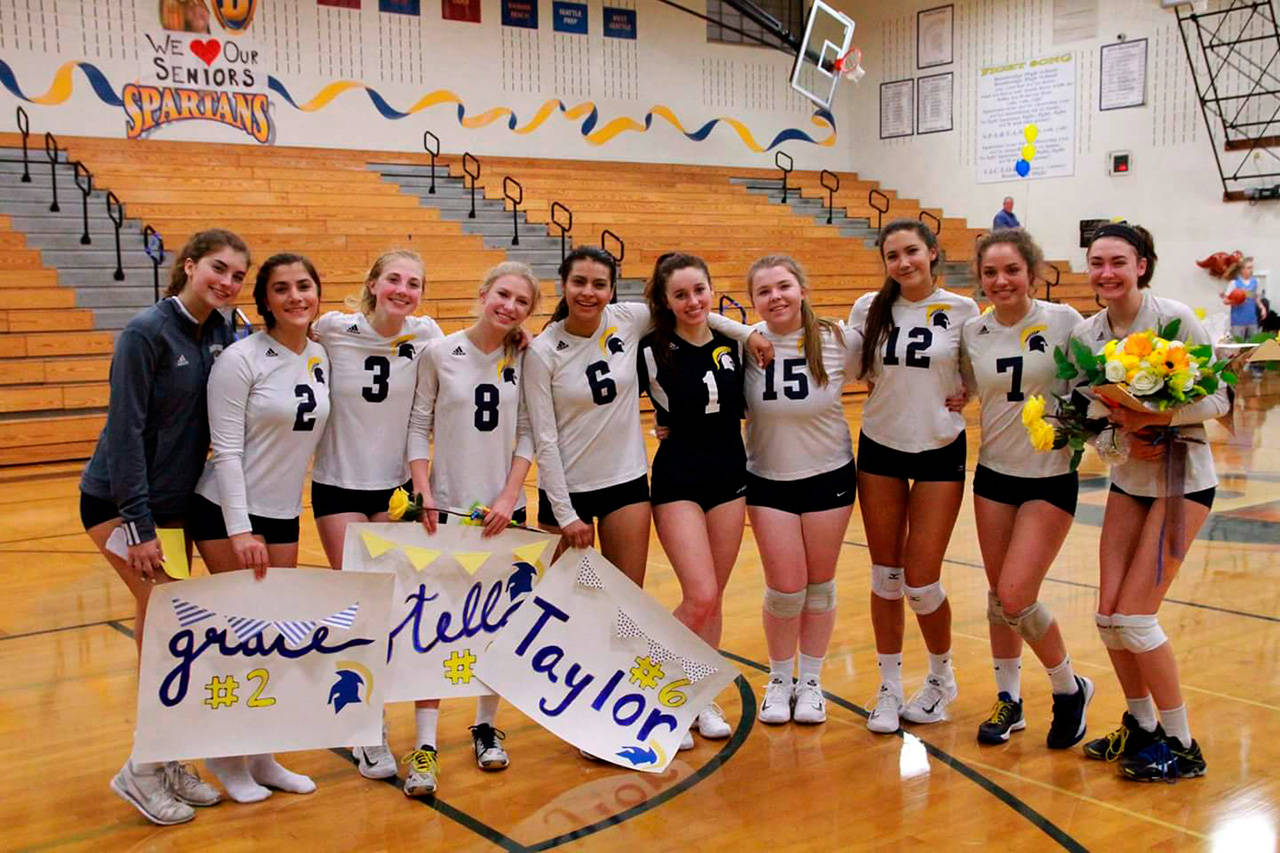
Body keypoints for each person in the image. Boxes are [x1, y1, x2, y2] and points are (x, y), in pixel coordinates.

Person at [80, 228, 249, 825]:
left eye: (236, 276)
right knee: (170, 633)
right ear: (189, 265)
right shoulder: (146, 332)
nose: (226, 283)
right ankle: (142, 769)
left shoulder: (229, 332)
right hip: (119, 503)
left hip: (176, 505)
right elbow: (123, 431)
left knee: (166, 632)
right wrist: (139, 524)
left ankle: (169, 756)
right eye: (218, 269)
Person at [1072, 222, 1226, 781]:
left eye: (1118, 261)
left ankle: (1183, 745)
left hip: (1183, 477)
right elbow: (1087, 420)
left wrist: (1157, 416)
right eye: (1096, 263)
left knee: (1136, 618)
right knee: (1108, 618)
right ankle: (1142, 728)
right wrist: (1115, 435)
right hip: (1129, 481)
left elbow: (1218, 398)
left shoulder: (1175, 319)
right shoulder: (1086, 337)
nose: (1105, 273)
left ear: (1142, 265)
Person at [523, 246, 767, 588]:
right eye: (579, 282)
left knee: (626, 602)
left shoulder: (629, 318)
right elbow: (543, 439)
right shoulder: (541, 351)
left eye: (599, 284)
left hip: (626, 481)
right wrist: (565, 513)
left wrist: (747, 333)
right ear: (562, 285)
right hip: (566, 488)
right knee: (566, 603)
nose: (589, 292)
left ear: (611, 290)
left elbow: (693, 312)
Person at [189, 253, 329, 802]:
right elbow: (224, 451)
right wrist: (241, 528)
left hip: (282, 514)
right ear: (264, 300)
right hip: (227, 511)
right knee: (239, 639)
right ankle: (225, 758)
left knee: (273, 639)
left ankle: (264, 755)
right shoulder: (240, 359)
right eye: (281, 289)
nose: (295, 296)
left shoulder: (320, 354)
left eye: (304, 286)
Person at [401, 261, 541, 796]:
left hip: (505, 513)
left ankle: (485, 726)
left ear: (529, 312)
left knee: (496, 626)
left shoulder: (526, 356)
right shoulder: (440, 352)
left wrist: (510, 495)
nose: (509, 307)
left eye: (521, 302)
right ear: (483, 293)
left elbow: (529, 431)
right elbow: (418, 424)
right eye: (502, 295)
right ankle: (425, 745)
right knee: (432, 627)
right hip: (445, 511)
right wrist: (424, 491)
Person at [309, 249, 443, 779]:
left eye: (414, 282)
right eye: (393, 279)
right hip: (338, 487)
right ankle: (368, 729)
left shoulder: (427, 334)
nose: (403, 290)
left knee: (398, 611)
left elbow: (471, 354)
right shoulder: (332, 328)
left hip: (396, 492)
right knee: (361, 609)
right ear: (373, 283)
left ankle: (388, 722)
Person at [958, 230, 1093, 748]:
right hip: (994, 474)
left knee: (1017, 594)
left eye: (1011, 270)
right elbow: (968, 385)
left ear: (1032, 272)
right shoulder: (975, 330)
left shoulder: (1064, 322)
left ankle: (1068, 688)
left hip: (1050, 477)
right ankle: (1008, 701)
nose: (1001, 281)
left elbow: (1093, 388)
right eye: (990, 273)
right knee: (999, 599)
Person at [849, 219, 979, 734]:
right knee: (886, 578)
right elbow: (854, 368)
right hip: (880, 444)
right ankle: (887, 687)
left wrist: (965, 393)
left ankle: (941, 678)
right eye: (893, 255)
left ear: (932, 254)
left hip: (940, 448)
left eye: (912, 252)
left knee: (922, 581)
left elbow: (975, 373)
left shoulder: (964, 310)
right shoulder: (869, 309)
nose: (903, 263)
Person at [743, 255, 862, 726]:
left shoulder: (837, 340)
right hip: (767, 479)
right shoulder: (745, 343)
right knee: (785, 588)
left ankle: (811, 681)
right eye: (764, 291)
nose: (776, 297)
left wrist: (957, 392)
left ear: (802, 290)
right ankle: (778, 678)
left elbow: (888, 372)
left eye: (784, 286)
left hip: (829, 475)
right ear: (752, 300)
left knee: (819, 584)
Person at [637, 253, 747, 746]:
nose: (693, 301)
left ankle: (700, 697)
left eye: (699, 290)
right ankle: (662, 693)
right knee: (699, 594)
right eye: (680, 294)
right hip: (678, 477)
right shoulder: (650, 347)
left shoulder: (734, 344)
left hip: (730, 475)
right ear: (664, 300)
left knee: (714, 599)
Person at [1223, 257, 1260, 340]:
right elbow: (1225, 301)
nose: (1250, 270)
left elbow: (1255, 297)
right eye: (1248, 268)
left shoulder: (1255, 282)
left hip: (1252, 319)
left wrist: (1262, 307)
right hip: (1238, 320)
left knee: (1254, 347)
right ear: (1242, 269)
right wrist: (1236, 301)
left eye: (1251, 267)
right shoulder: (1234, 283)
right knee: (1238, 347)